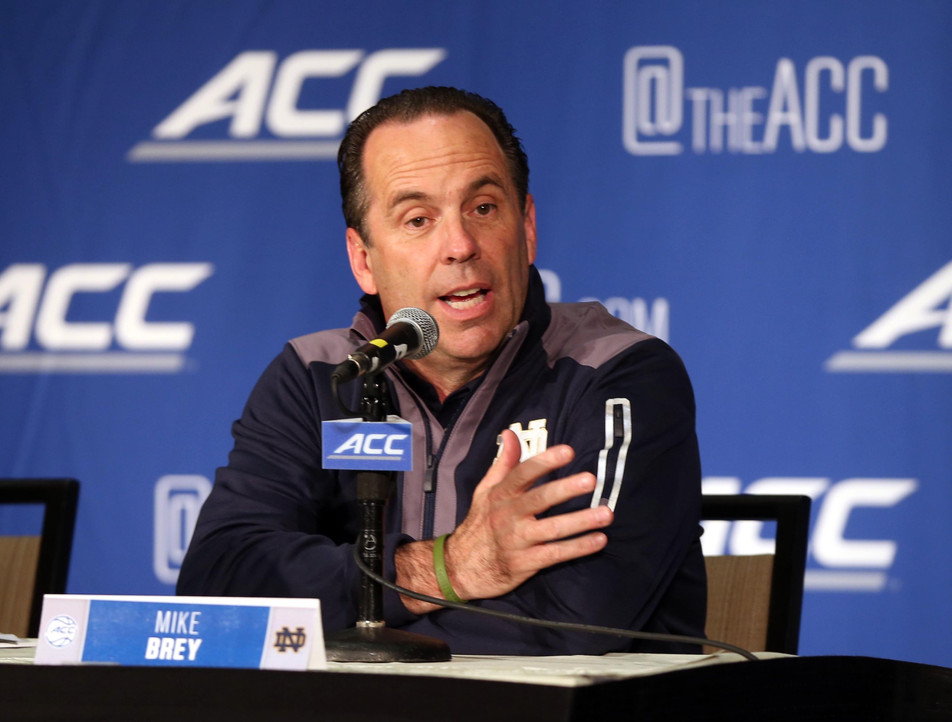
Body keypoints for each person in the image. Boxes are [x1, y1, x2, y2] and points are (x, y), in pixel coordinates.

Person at [177, 87, 706, 655]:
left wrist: (330, 620)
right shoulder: (317, 375)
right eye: (417, 219)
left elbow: (580, 624)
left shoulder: (616, 373)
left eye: (483, 208)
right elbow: (218, 585)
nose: (459, 245)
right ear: (364, 259)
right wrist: (449, 567)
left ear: (526, 227)